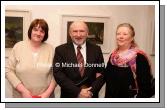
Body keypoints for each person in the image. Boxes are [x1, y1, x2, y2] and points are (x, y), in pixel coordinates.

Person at [5, 19, 56, 98]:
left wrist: (47, 93)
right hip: (21, 96)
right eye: (35, 30)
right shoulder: (18, 47)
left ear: (45, 34)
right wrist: (23, 91)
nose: (38, 33)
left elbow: (57, 74)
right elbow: (8, 70)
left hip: (45, 97)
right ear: (30, 31)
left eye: (42, 31)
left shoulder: (50, 49)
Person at [53, 21, 105, 98]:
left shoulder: (96, 49)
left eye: (82, 31)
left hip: (90, 96)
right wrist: (77, 91)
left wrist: (90, 92)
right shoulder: (60, 50)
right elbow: (58, 74)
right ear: (70, 34)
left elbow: (101, 73)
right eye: (75, 31)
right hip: (69, 96)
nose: (78, 34)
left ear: (87, 33)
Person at [104, 23, 154, 98]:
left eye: (125, 34)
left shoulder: (139, 57)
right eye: (118, 34)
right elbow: (107, 78)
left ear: (132, 38)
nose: (121, 36)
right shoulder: (113, 56)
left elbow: (145, 87)